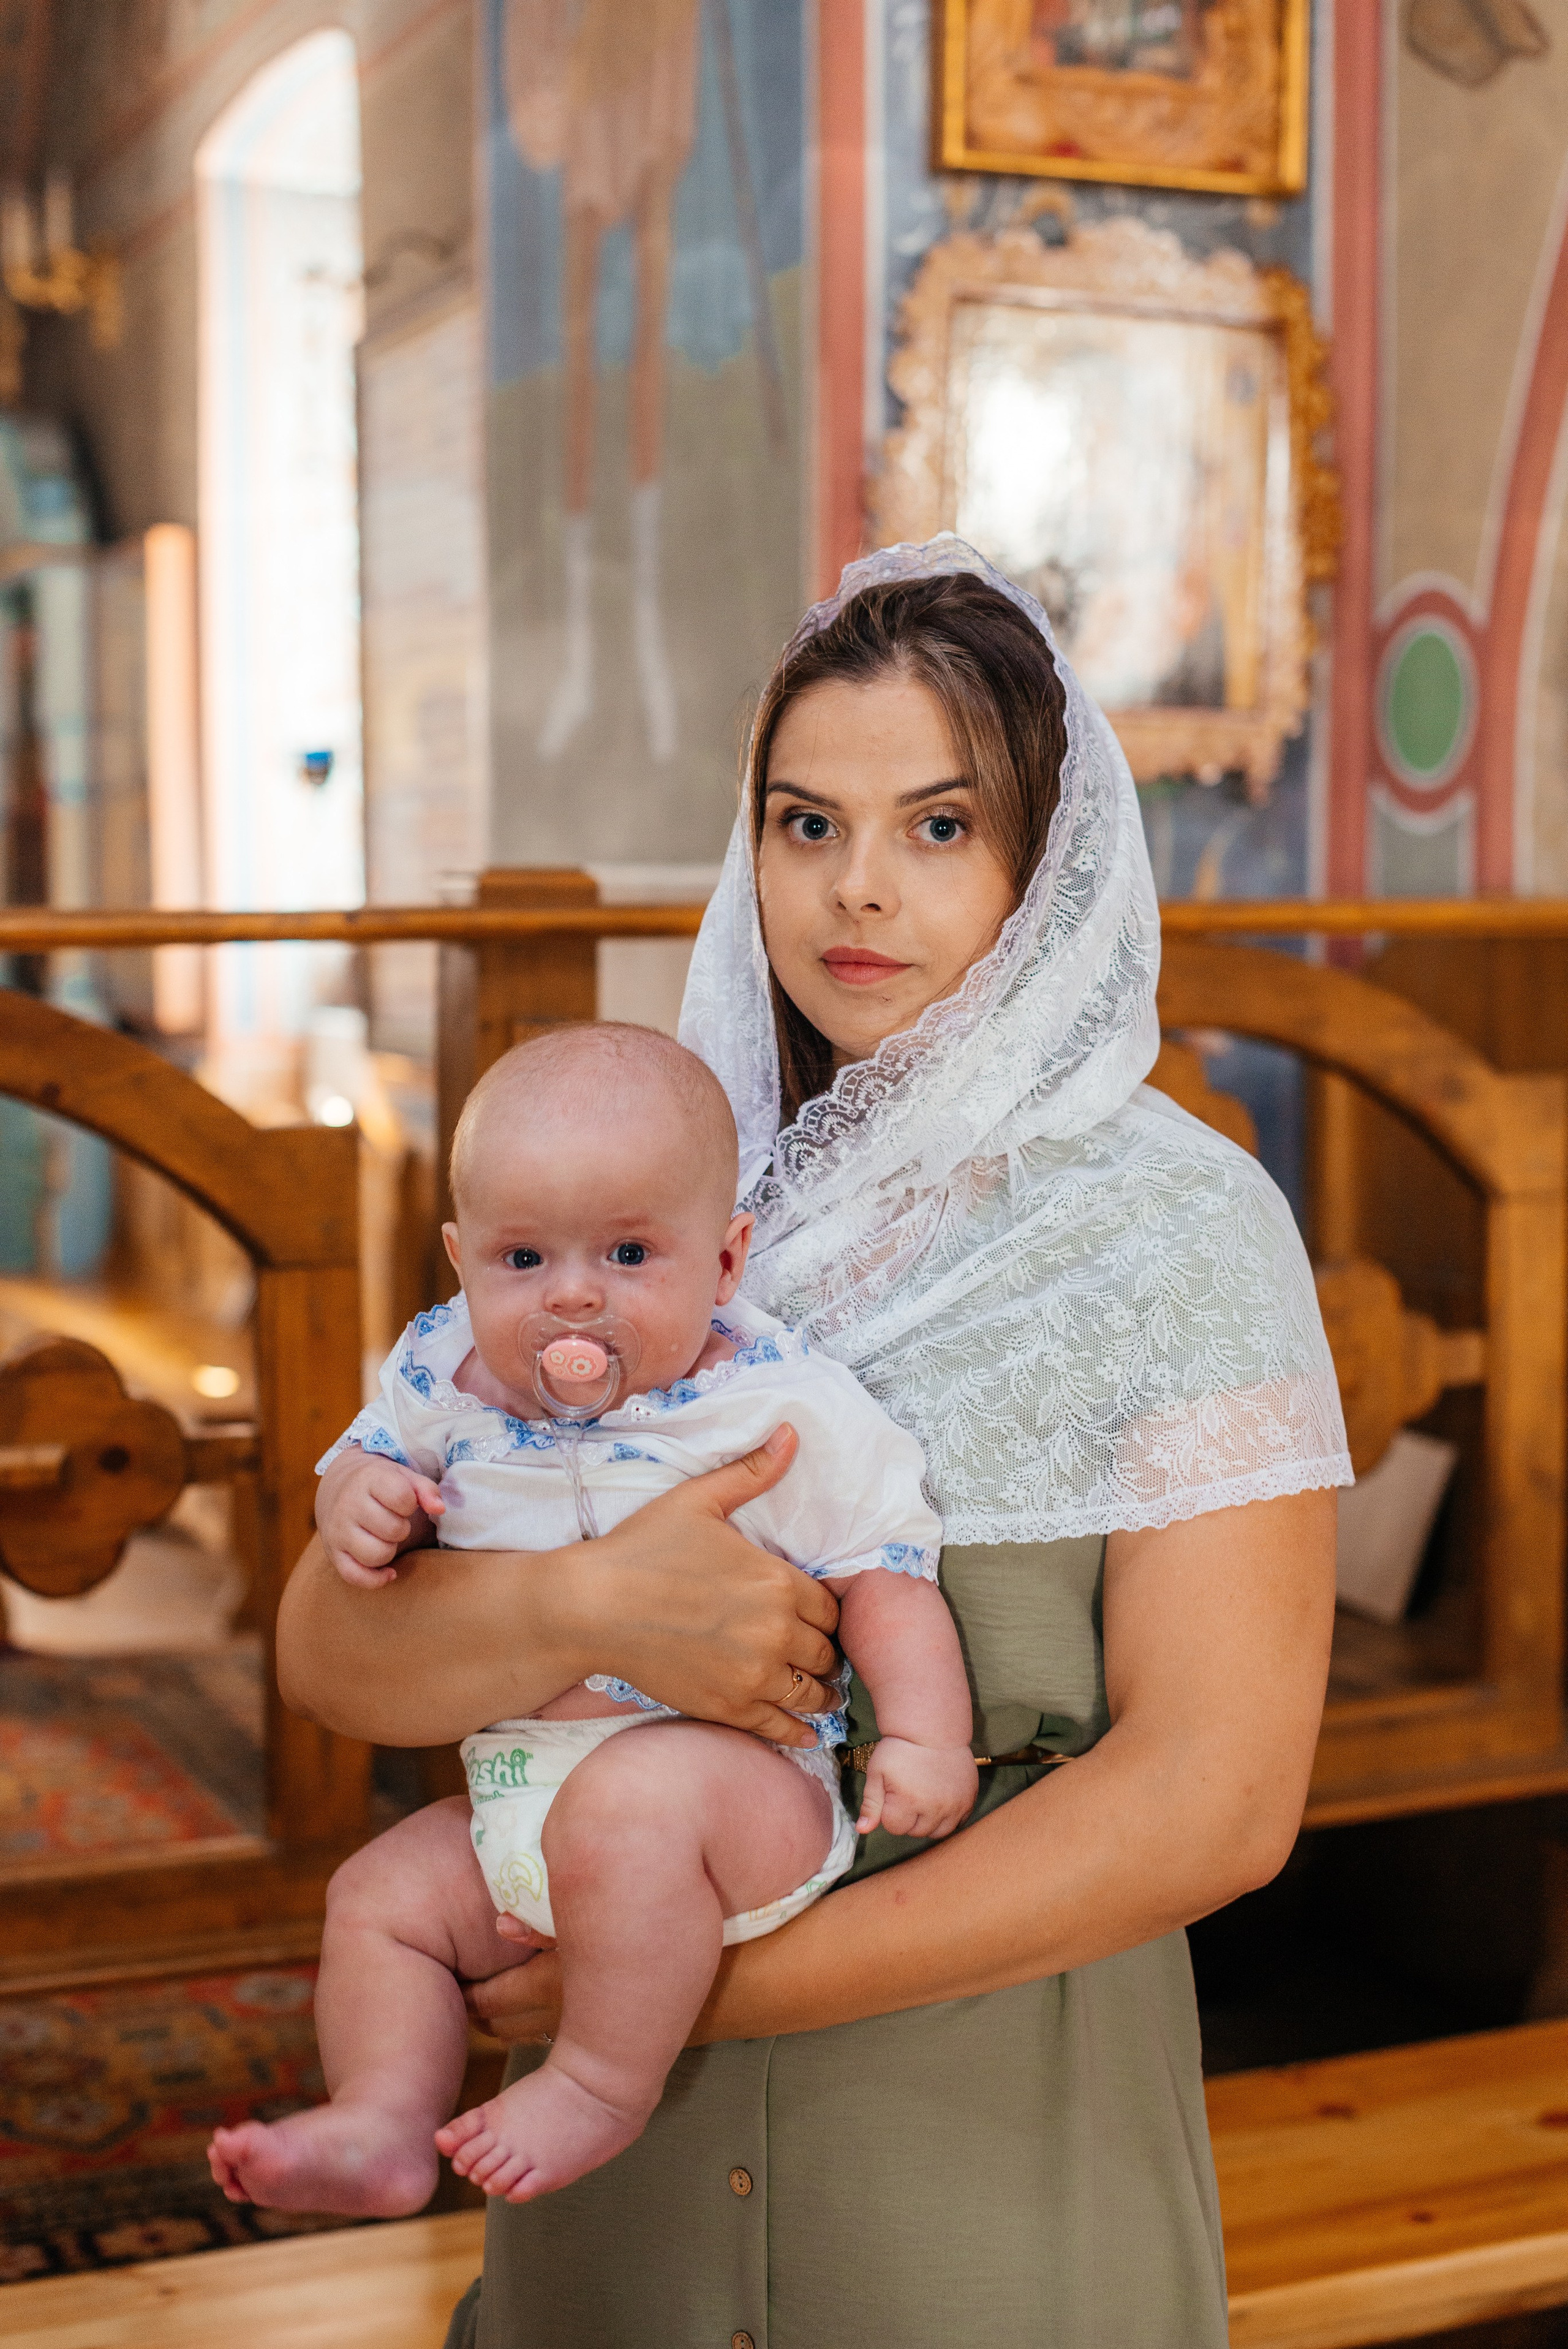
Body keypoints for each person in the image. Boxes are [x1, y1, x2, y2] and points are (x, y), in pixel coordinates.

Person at [277, 535, 1349, 2347]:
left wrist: (673, 2000)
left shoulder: (1182, 1233)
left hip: (979, 2189)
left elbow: (1216, 1802)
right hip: (613, 2225)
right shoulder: (650, 1207)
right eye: (803, 822)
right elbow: (331, 1649)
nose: (858, 890)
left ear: (1050, 854)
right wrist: (601, 1607)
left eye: (940, 826)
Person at [211, 1024, 970, 2215]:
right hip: (523, 1792)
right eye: (522, 1258)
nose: (570, 1293)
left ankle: (597, 2088)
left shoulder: (773, 1408)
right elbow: (356, 1468)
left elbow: (885, 1571)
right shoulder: (440, 1380)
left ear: (722, 1265)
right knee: (379, 1898)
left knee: (630, 1806)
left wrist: (925, 1735)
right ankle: (379, 2121)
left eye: (626, 1252)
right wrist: (359, 1502)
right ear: (460, 1261)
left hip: (735, 1801)